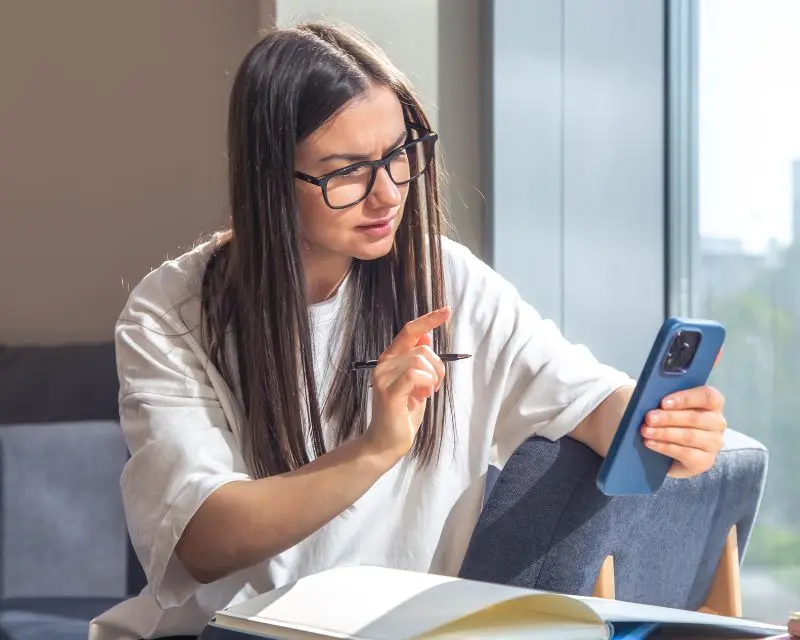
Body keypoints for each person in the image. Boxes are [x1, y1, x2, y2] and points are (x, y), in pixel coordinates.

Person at [88, 22, 728, 640]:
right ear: (268, 179)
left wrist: (665, 427)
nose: (388, 193)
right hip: (224, 633)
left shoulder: (445, 278)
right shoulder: (172, 310)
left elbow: (583, 400)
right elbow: (205, 539)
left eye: (399, 155)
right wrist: (374, 447)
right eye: (346, 171)